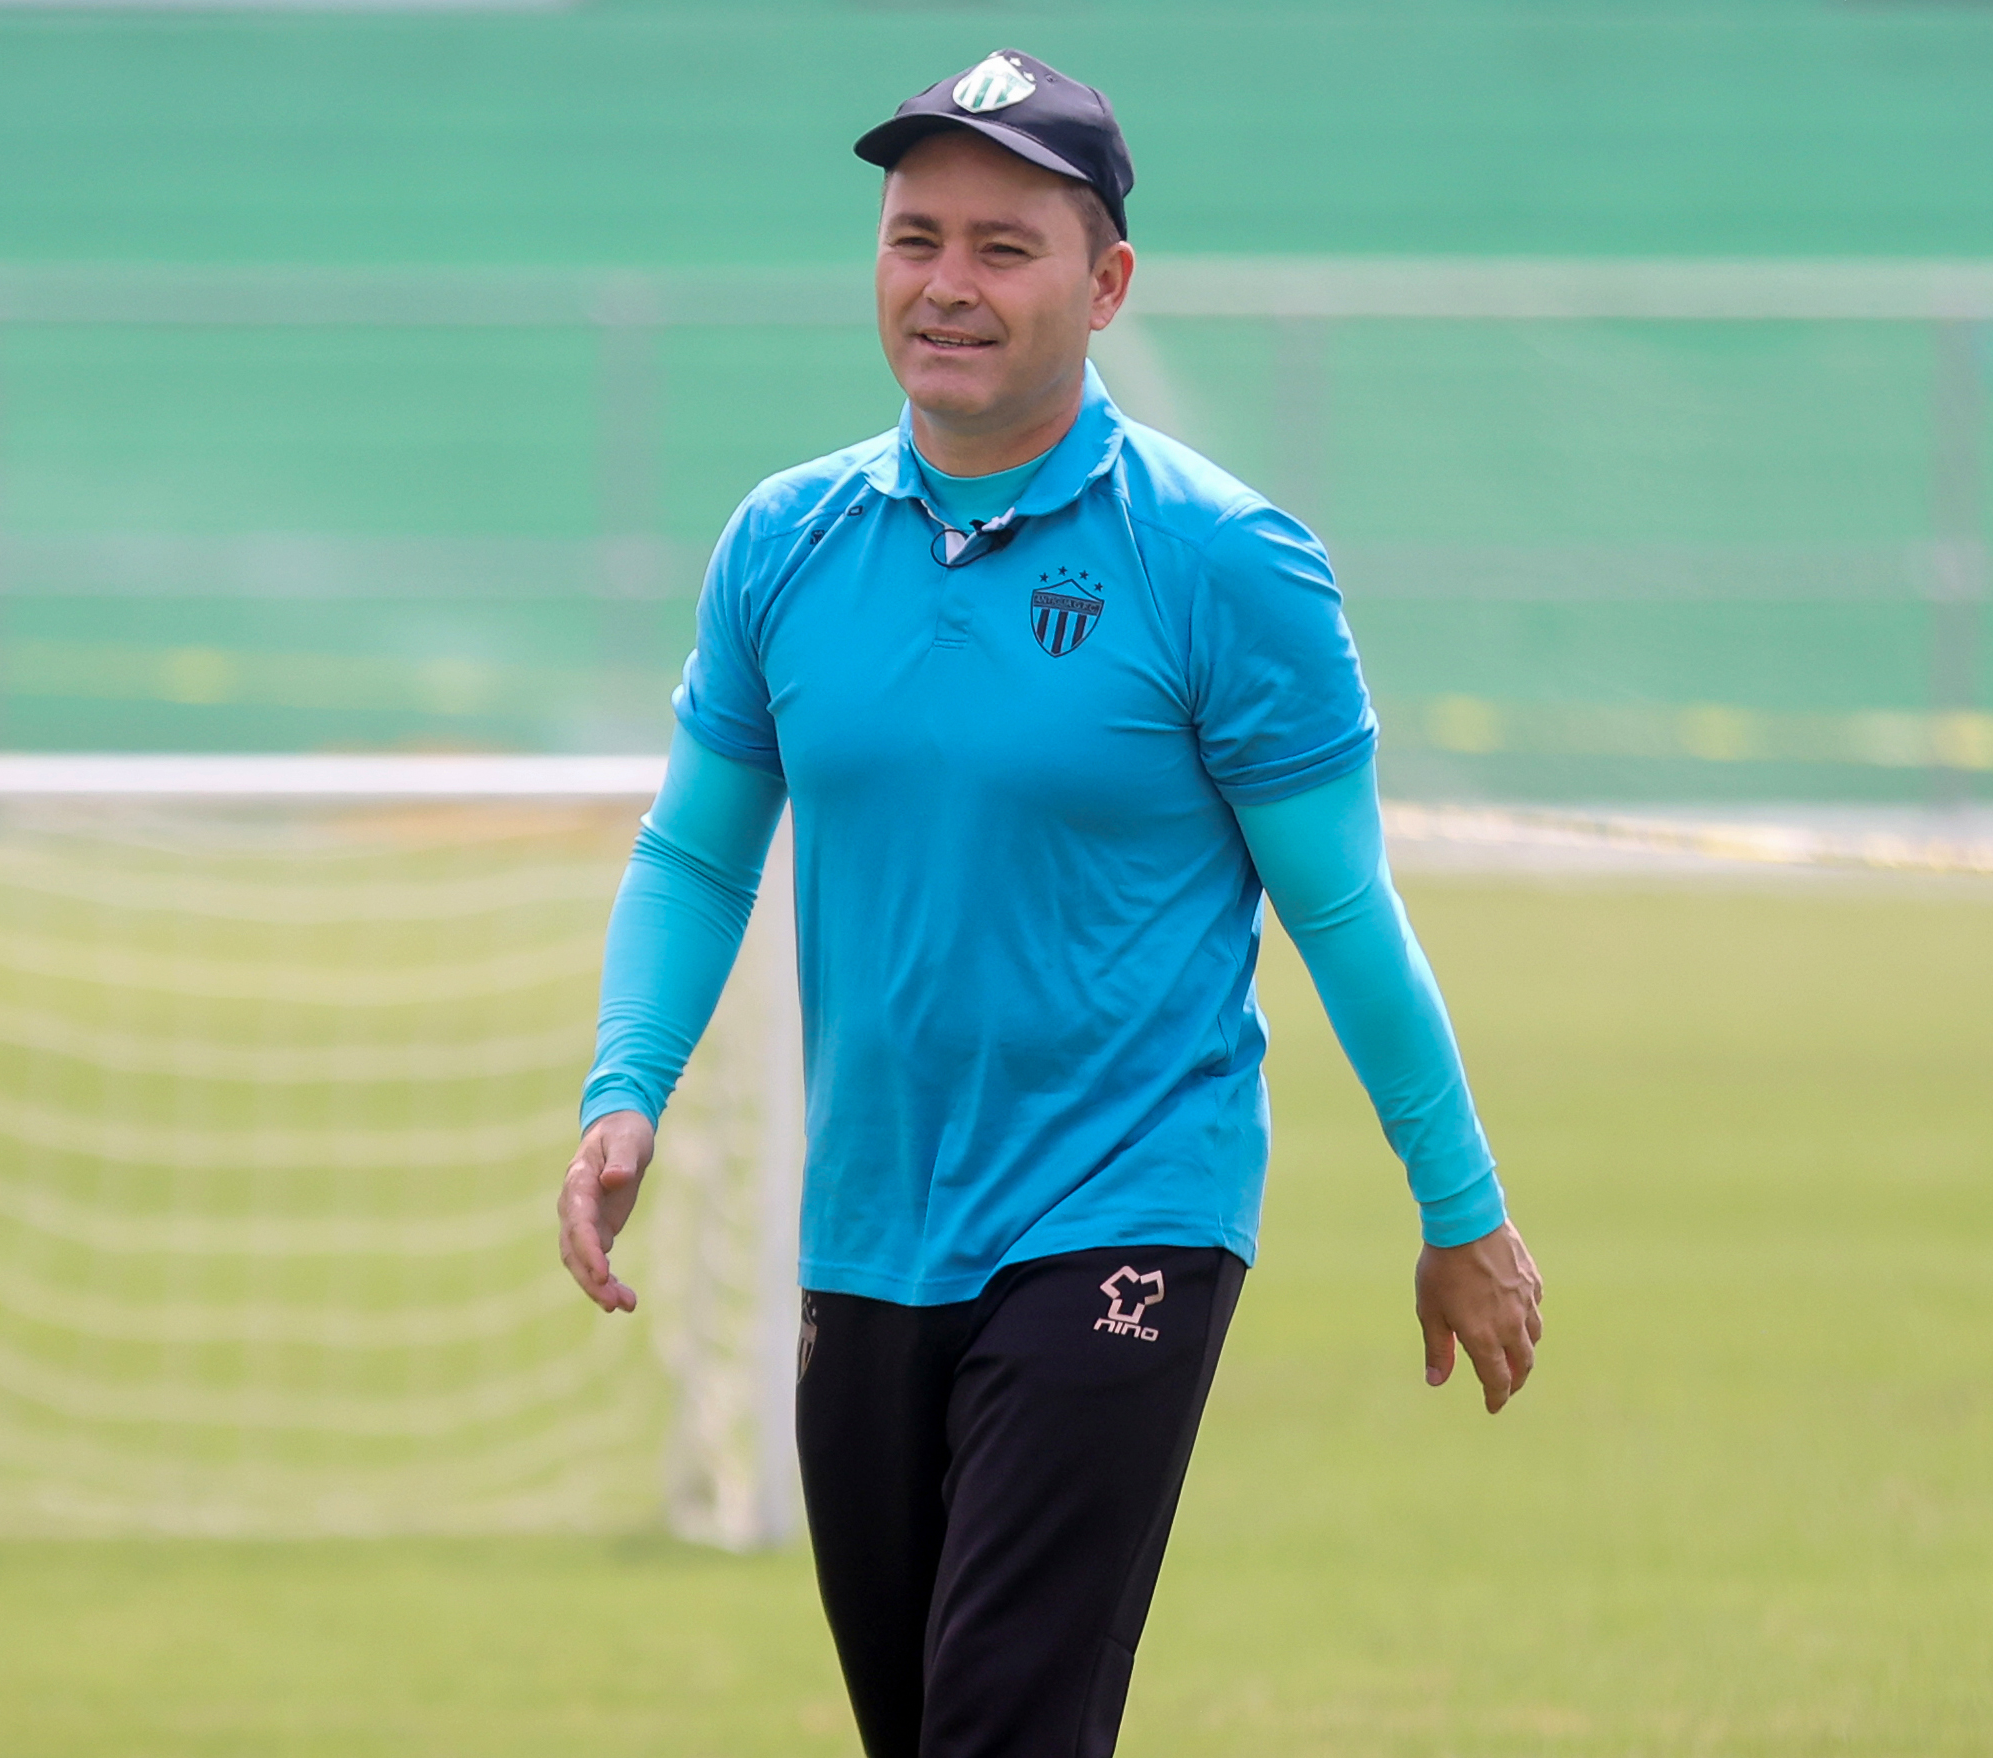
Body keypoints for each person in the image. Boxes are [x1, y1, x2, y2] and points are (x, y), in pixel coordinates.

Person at [555, 48, 1544, 1758]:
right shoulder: (782, 543)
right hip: (869, 1223)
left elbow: (1341, 911)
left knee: (1001, 1724)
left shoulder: (1223, 562)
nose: (946, 283)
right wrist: (624, 1085)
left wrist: (1458, 1207)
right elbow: (697, 854)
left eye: (1002, 247)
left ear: (1105, 286)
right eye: (913, 237)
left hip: (1125, 1207)